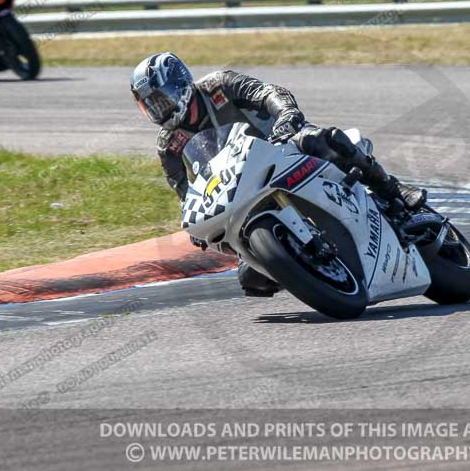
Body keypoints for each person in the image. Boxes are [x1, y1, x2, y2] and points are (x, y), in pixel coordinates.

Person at [131, 53, 426, 297]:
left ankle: (394, 190)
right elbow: (185, 191)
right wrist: (194, 227)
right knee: (252, 280)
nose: (160, 110)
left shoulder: (219, 85)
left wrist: (286, 116)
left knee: (327, 140)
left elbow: (268, 92)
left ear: (180, 84)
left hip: (282, 145)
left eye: (161, 99)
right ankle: (303, 266)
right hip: (241, 186)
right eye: (151, 106)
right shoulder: (169, 145)